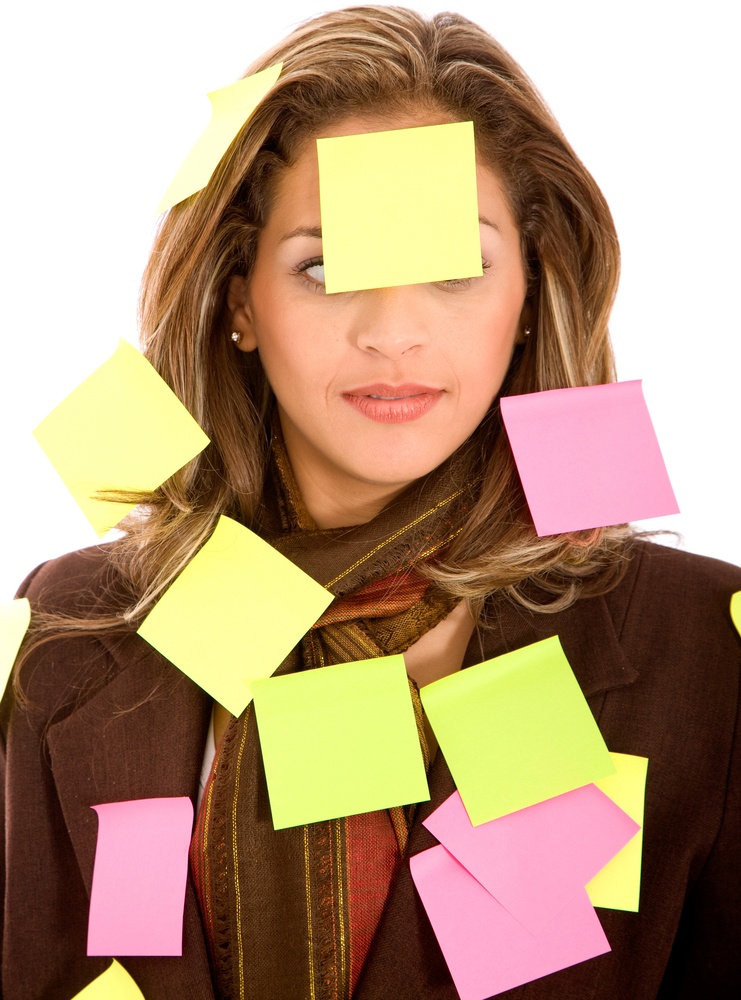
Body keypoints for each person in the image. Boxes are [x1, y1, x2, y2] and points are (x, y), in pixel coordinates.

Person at [1, 6, 739, 998]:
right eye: (325, 266)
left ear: (530, 293)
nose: (395, 332)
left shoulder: (700, 648)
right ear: (238, 303)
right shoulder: (73, 629)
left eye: (457, 267)